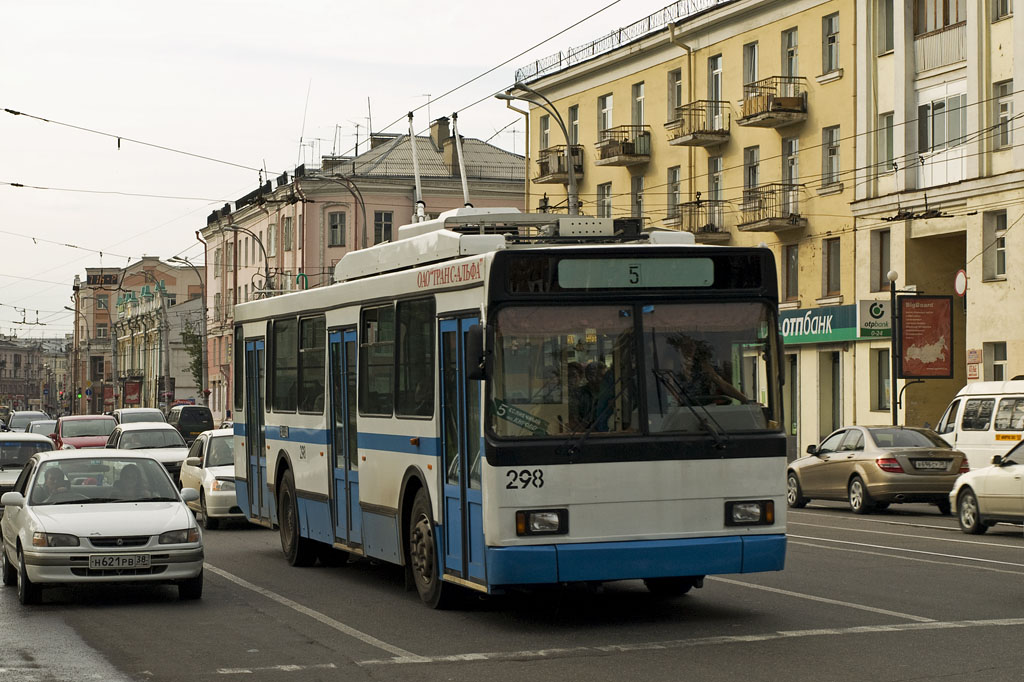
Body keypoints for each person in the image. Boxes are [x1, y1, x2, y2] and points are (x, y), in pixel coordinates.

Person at [667, 334, 748, 404]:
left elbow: (723, 385)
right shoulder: (673, 367)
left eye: (692, 345)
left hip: (706, 411)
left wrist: (746, 400)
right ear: (678, 348)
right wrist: (677, 401)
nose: (689, 349)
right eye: (685, 345)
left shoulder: (703, 366)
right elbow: (668, 386)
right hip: (680, 410)